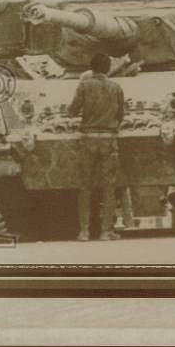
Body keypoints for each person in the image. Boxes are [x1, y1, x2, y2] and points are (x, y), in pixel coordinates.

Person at [68, 52, 125, 241]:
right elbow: (121, 115)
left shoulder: (84, 85)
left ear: (91, 68)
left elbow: (73, 110)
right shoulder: (116, 87)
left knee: (85, 186)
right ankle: (105, 231)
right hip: (108, 140)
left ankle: (83, 231)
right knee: (109, 186)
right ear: (108, 68)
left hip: (89, 139)